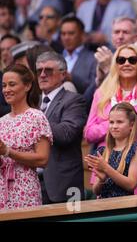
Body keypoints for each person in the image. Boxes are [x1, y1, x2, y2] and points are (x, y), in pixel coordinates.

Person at [85, 44, 137, 194]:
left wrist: (130, 118)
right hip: (104, 167)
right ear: (115, 64)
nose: (126, 64)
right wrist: (114, 122)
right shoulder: (102, 92)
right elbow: (89, 133)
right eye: (121, 60)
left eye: (132, 60)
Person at [36, 51, 87, 204]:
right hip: (34, 183)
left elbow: (66, 133)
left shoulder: (74, 100)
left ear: (63, 74)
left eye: (48, 70)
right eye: (39, 71)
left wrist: (36, 119)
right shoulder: (33, 103)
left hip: (66, 185)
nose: (43, 75)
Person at [0, 64, 52, 209]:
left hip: (24, 191)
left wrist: (8, 152)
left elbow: (43, 159)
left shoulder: (36, 117)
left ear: (27, 86)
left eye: (12, 84)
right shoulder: (1, 121)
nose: (6, 90)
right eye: (4, 85)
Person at [85, 102, 137, 198]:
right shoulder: (104, 151)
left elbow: (131, 185)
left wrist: (106, 169)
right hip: (104, 206)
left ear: (131, 125)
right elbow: (96, 191)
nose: (114, 126)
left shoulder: (136, 151)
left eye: (119, 122)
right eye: (111, 122)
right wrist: (102, 180)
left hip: (124, 206)